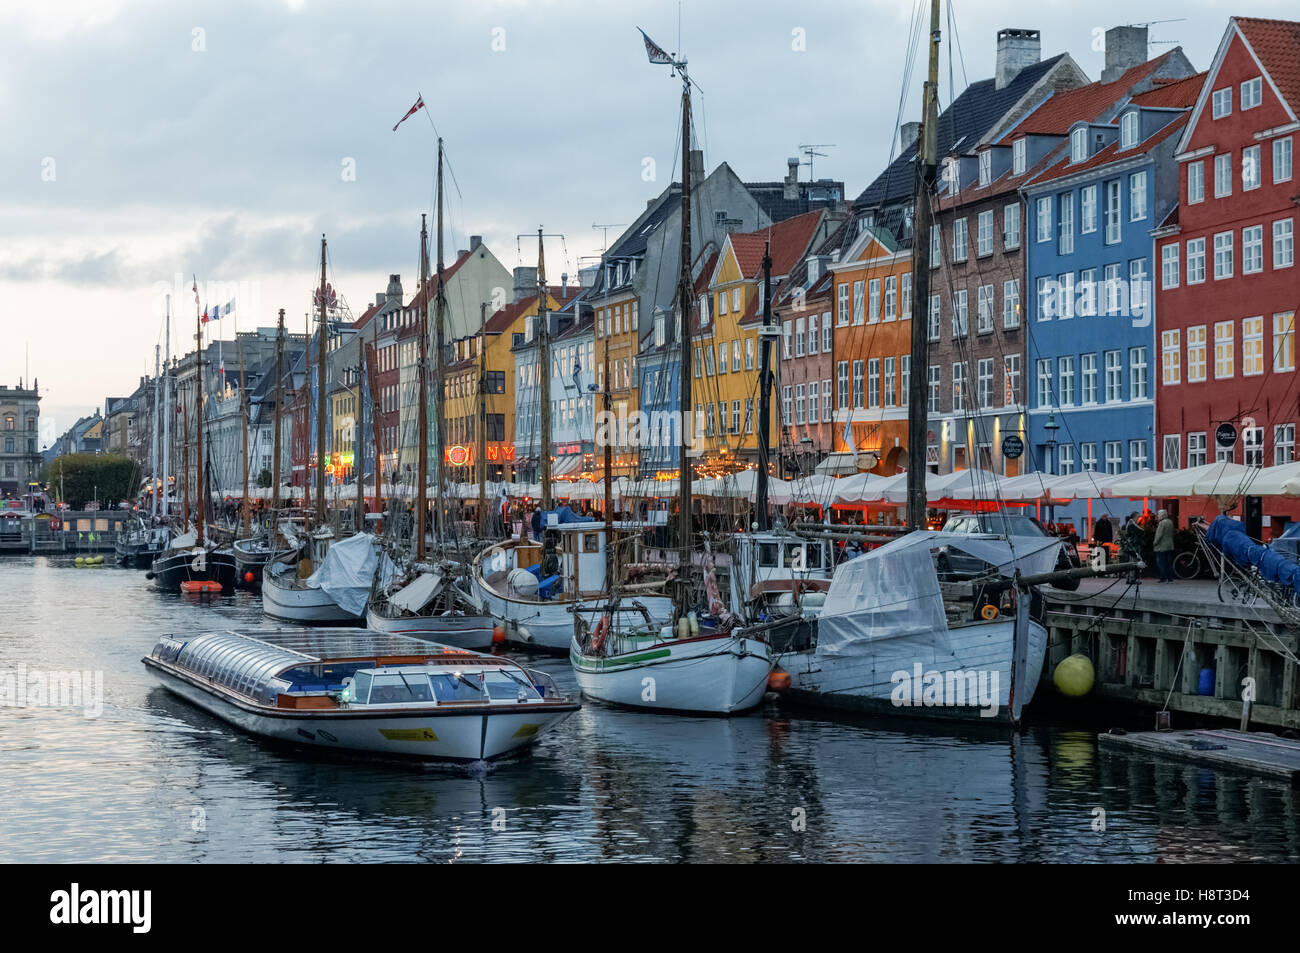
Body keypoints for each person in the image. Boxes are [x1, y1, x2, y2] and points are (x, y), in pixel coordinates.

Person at [1153, 508, 1175, 583]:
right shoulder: (1170, 522)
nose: (1158, 516)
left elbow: (1159, 535)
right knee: (1168, 562)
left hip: (1161, 547)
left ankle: (1163, 578)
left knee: (1161, 563)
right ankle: (1170, 578)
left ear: (1163, 515)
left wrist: (1154, 543)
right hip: (1169, 545)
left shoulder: (1162, 523)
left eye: (1158, 514)